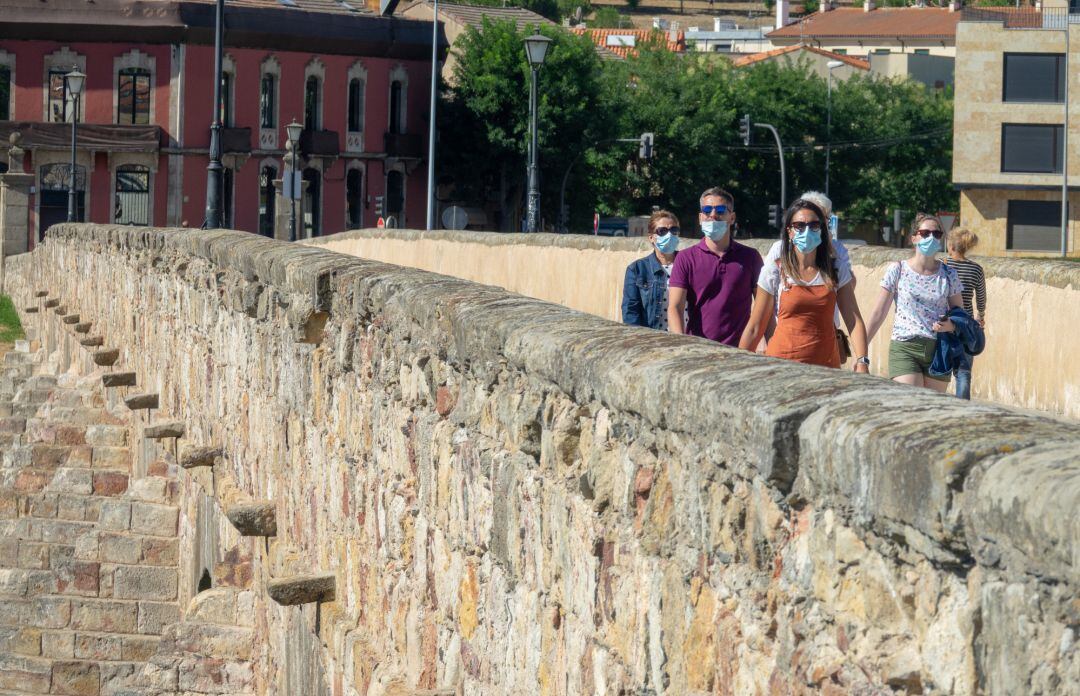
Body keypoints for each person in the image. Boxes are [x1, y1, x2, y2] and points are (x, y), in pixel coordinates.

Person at [739, 199, 869, 371]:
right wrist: (738, 365)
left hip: (827, 368)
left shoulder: (836, 268)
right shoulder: (776, 270)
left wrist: (862, 362)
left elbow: (854, 321)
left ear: (822, 230)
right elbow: (755, 327)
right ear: (790, 232)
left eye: (814, 225)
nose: (806, 230)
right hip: (782, 366)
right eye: (799, 225)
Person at [865, 213, 964, 392]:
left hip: (939, 349)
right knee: (910, 403)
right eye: (925, 233)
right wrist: (861, 350)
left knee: (932, 409)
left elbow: (960, 314)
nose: (931, 238)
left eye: (937, 234)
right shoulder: (898, 270)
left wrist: (951, 325)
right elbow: (878, 313)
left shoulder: (949, 274)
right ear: (914, 238)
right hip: (906, 346)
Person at [668, 188, 764, 346]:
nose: (713, 215)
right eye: (707, 210)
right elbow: (675, 307)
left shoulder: (751, 257)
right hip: (699, 350)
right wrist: (682, 345)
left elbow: (764, 308)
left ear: (731, 217)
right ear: (700, 218)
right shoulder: (685, 258)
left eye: (720, 210)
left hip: (740, 352)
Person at [943, 227, 986, 399]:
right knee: (963, 371)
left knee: (939, 367)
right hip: (965, 324)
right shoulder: (976, 269)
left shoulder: (943, 265)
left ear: (951, 246)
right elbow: (981, 298)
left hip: (944, 322)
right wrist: (980, 317)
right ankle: (963, 406)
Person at [622, 210, 682, 330]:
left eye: (673, 230)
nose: (669, 235)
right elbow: (630, 312)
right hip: (654, 339)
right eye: (662, 231)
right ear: (651, 237)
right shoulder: (637, 269)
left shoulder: (689, 264)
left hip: (687, 339)